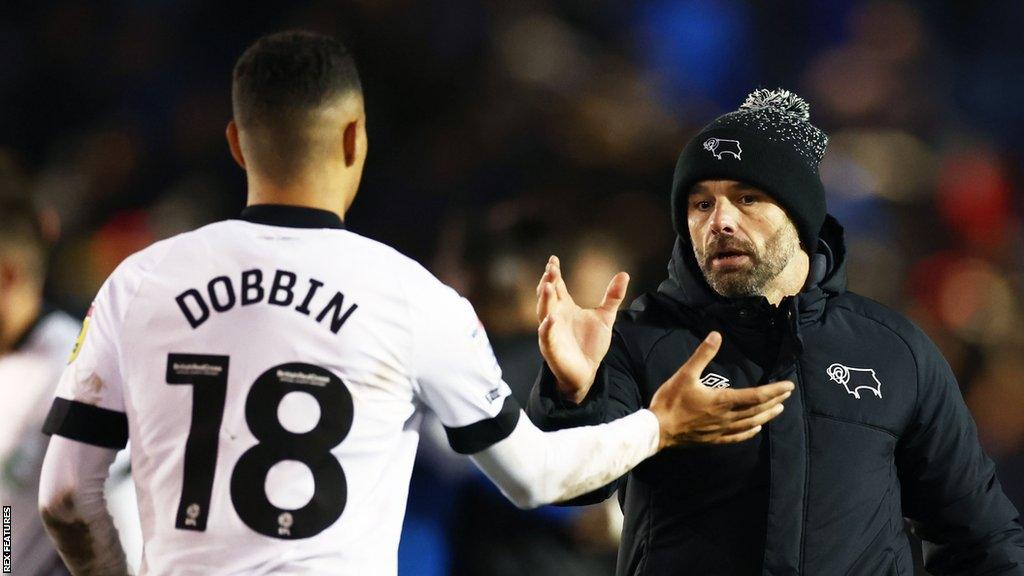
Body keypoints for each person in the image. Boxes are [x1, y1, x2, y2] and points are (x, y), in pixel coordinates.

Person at [36, 31, 792, 576]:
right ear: (355, 138)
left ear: (236, 142)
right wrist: (656, 427)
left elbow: (66, 497)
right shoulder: (412, 297)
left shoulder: (139, 283)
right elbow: (533, 478)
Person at [528, 88, 1024, 576]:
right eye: (701, 205)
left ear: (799, 215)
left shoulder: (894, 350)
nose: (720, 221)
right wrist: (573, 393)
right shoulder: (642, 336)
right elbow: (571, 485)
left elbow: (981, 537)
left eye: (747, 199)